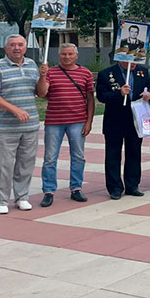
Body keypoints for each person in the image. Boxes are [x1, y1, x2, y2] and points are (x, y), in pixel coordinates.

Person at [0, 35, 41, 214]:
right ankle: (1, 200)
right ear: (6, 48)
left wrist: (44, 77)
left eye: (20, 45)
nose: (17, 48)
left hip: (30, 125)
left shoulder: (32, 65)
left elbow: (40, 92)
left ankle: (22, 197)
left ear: (25, 47)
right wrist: (14, 110)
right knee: (3, 165)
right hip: (5, 127)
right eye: (12, 45)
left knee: (26, 164)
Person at [36, 43, 94, 207]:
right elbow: (41, 93)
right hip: (55, 121)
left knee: (78, 157)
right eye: (63, 54)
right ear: (59, 55)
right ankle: (48, 191)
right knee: (49, 158)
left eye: (70, 54)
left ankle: (76, 187)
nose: (67, 57)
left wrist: (89, 122)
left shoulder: (86, 73)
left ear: (76, 55)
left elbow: (90, 98)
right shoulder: (51, 72)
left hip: (78, 120)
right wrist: (42, 76)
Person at [96, 55, 150, 200]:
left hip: (135, 118)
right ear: (121, 58)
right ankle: (115, 187)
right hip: (115, 119)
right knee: (113, 155)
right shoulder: (106, 74)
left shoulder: (142, 71)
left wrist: (149, 94)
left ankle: (132, 185)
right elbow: (102, 96)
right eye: (130, 60)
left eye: (136, 60)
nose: (133, 63)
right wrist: (119, 93)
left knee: (134, 152)